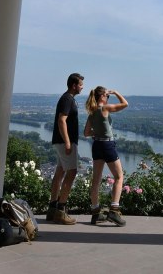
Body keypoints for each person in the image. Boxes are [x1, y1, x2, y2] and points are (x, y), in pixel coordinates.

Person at [84, 86, 128, 226]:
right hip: (108, 146)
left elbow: (86, 133)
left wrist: (96, 132)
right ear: (102, 96)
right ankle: (114, 211)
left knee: (96, 180)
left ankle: (96, 213)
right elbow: (125, 104)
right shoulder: (105, 108)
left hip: (96, 145)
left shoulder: (92, 112)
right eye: (107, 96)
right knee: (119, 177)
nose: (108, 98)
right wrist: (115, 92)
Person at [46, 72, 84, 225]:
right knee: (72, 172)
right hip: (65, 142)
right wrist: (68, 142)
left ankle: (52, 209)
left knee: (60, 172)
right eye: (81, 84)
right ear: (74, 85)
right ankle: (61, 210)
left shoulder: (68, 98)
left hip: (61, 141)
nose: (82, 87)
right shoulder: (67, 99)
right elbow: (62, 120)